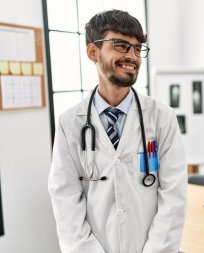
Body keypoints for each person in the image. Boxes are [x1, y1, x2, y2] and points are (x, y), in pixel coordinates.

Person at [48, 10, 187, 253]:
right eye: (121, 46)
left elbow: (174, 198)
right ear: (93, 52)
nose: (132, 56)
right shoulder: (70, 123)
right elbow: (66, 201)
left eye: (137, 48)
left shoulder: (162, 118)